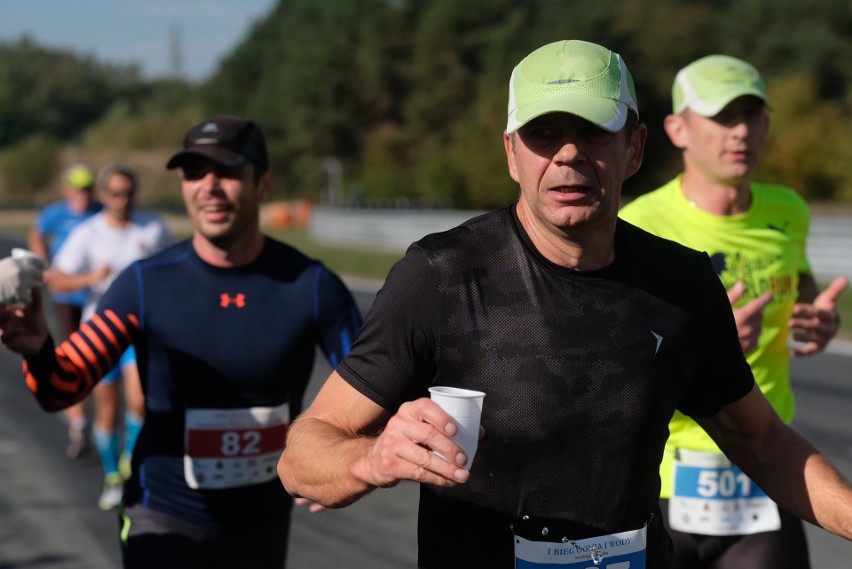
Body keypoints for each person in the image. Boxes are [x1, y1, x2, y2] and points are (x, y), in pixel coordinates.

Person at [277, 40, 852, 569]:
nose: (569, 154)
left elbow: (761, 439)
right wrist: (372, 459)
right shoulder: (442, 277)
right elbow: (303, 454)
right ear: (511, 153)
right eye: (544, 133)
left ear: (635, 148)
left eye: (594, 131)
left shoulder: (682, 284)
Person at [0, 115, 363, 568]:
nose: (208, 185)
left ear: (263, 183)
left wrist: (345, 460)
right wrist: (38, 349)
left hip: (263, 525)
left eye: (227, 170)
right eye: (194, 172)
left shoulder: (311, 286)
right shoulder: (145, 285)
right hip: (163, 518)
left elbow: (374, 389)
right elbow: (62, 387)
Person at [618, 55, 848, 568]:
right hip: (664, 481)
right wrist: (704, 350)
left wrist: (816, 319)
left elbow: (799, 286)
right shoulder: (637, 224)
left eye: (752, 115)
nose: (740, 131)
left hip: (763, 474)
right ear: (677, 128)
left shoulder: (788, 210)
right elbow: (610, 364)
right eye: (722, 117)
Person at [48, 163, 174, 510]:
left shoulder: (153, 227)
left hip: (141, 333)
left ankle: (129, 462)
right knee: (107, 410)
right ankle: (112, 476)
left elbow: (176, 268)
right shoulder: (89, 233)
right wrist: (90, 278)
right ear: (105, 196)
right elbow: (56, 279)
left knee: (139, 402)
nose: (123, 200)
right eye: (116, 193)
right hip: (100, 335)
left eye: (129, 192)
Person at [28, 163, 103, 459]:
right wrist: (43, 262)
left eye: (87, 188)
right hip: (66, 294)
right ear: (67, 189)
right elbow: (37, 233)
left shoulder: (100, 212)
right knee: (71, 355)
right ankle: (79, 421)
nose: (83, 194)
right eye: (78, 188)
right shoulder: (57, 213)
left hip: (97, 294)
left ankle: (102, 417)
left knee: (100, 356)